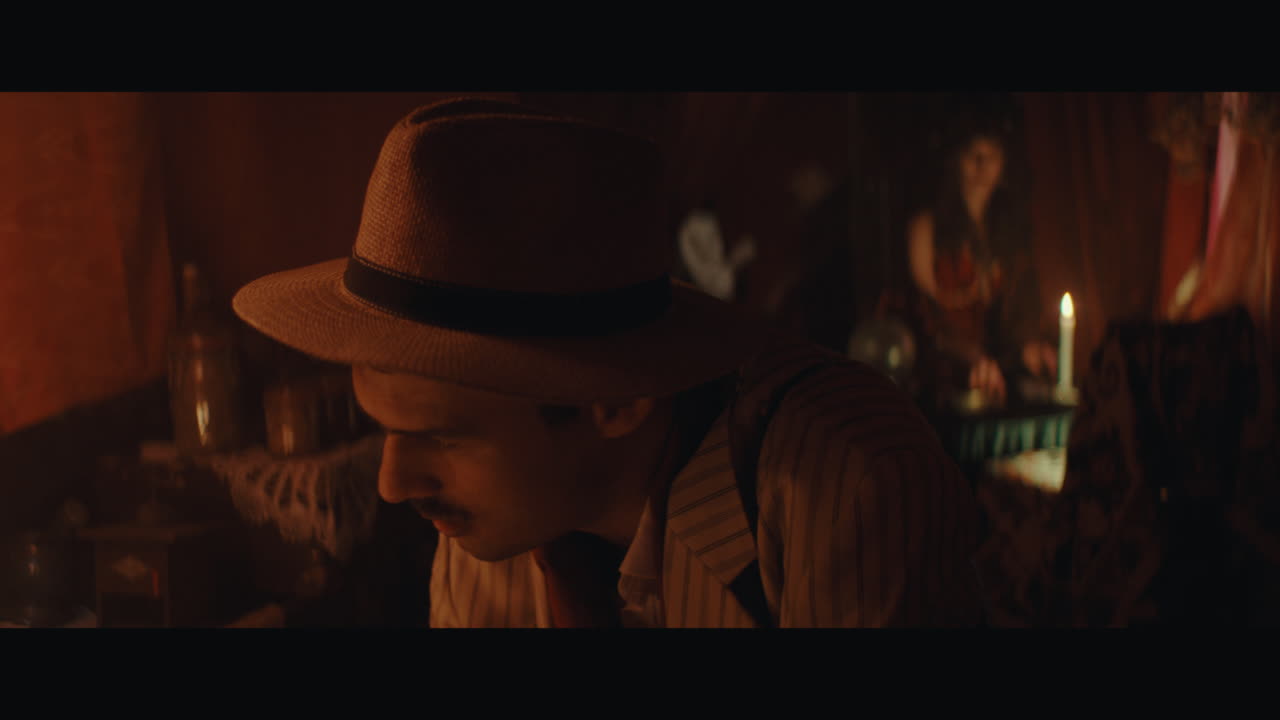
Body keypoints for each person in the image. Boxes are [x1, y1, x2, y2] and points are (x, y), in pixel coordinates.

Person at [232, 98, 981, 627]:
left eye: (443, 436)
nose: (394, 485)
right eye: (384, 427)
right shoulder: (491, 529)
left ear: (617, 402)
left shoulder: (846, 490)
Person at [906, 100, 1057, 406]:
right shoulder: (926, 228)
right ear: (955, 160)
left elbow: (1011, 315)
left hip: (995, 379)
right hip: (940, 380)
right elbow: (924, 316)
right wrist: (969, 355)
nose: (981, 164)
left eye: (992, 156)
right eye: (972, 154)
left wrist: (1027, 347)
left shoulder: (1007, 233)